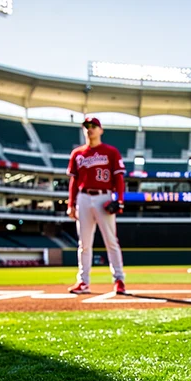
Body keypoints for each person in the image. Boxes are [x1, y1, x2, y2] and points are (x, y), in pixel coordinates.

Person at [66, 115, 127, 295]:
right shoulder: (77, 153)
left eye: (93, 126)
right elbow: (73, 181)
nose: (89, 129)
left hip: (103, 198)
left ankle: (119, 280)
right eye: (86, 126)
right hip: (84, 198)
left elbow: (119, 178)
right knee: (84, 243)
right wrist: (71, 203)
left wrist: (120, 200)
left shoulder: (111, 151)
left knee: (111, 241)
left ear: (101, 130)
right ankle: (83, 282)